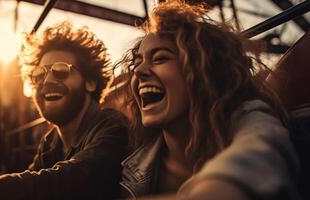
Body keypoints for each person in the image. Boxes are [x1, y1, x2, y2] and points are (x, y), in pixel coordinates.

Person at [118, 1, 299, 200]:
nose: (139, 71)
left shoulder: (248, 117)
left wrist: (220, 187)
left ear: (203, 70)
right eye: (136, 63)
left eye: (160, 58)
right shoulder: (133, 157)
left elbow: (259, 150)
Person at [0, 21, 128, 200]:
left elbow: (66, 183)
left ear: (90, 82)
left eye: (61, 70)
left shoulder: (113, 127)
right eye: (39, 74)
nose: (46, 81)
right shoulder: (51, 142)